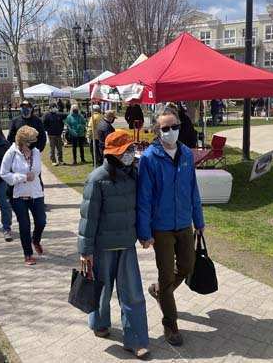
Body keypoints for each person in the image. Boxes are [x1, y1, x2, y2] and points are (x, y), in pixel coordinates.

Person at [78, 130, 150, 359]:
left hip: (126, 245)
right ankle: (100, 323)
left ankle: (135, 339)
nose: (131, 154)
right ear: (114, 154)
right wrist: (85, 251)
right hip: (102, 248)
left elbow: (139, 207)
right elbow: (88, 218)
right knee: (103, 291)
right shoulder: (97, 179)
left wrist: (144, 234)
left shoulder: (133, 175)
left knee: (133, 295)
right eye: (127, 150)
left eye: (132, 149)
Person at [137, 105, 205, 346]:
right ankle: (170, 323)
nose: (171, 131)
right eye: (166, 128)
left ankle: (159, 291)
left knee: (187, 266)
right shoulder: (148, 159)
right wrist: (144, 233)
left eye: (175, 127)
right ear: (158, 130)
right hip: (161, 228)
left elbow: (192, 189)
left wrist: (199, 220)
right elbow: (143, 197)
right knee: (167, 275)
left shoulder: (186, 154)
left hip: (184, 223)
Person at [0, 126, 46, 265]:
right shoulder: (11, 153)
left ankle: (35, 240)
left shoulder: (36, 152)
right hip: (18, 195)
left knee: (41, 221)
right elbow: (3, 173)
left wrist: (33, 175)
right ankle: (28, 254)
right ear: (23, 142)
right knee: (24, 225)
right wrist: (22, 177)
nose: (34, 144)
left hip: (35, 193)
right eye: (31, 142)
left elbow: (37, 171)